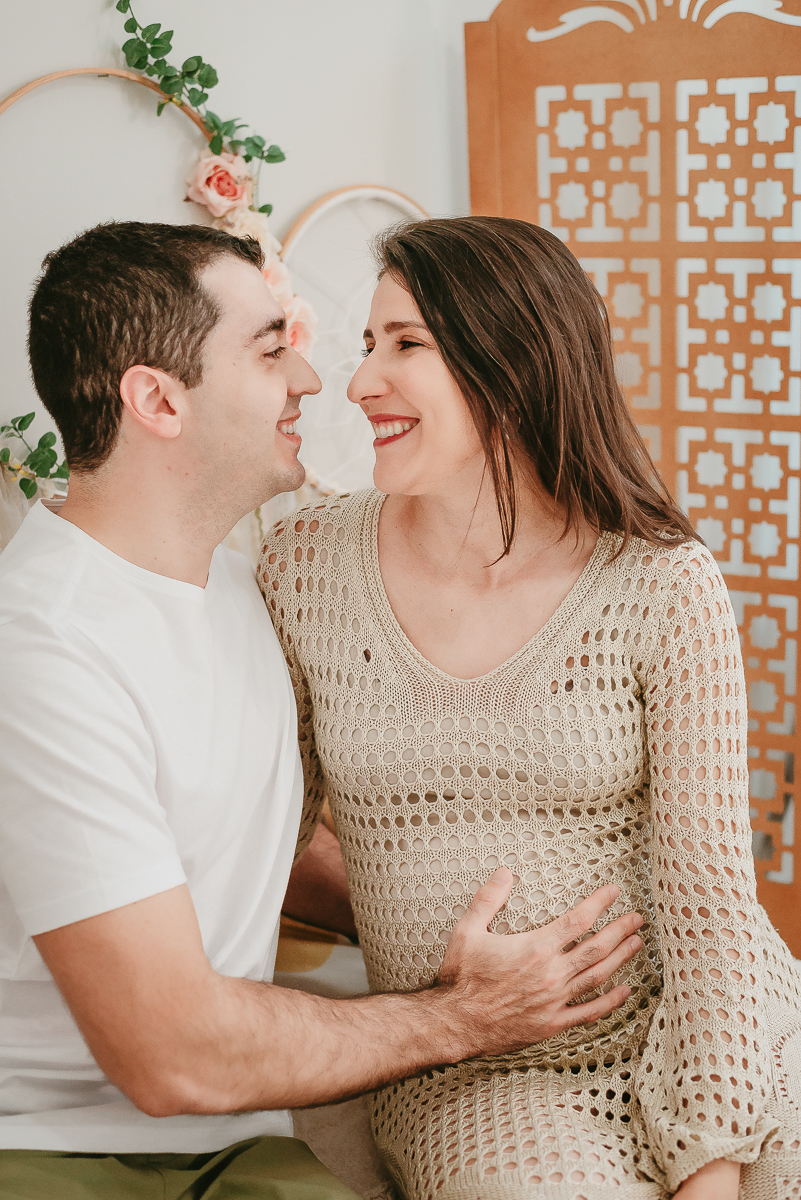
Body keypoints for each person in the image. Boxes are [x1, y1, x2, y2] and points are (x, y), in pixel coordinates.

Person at [0, 221, 644, 1200]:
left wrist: (514, 932)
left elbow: (231, 836)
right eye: (270, 349)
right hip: (56, 1146)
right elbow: (174, 1058)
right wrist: (466, 1015)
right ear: (159, 400)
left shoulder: (244, 584)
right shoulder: (43, 650)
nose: (315, 379)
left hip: (235, 1140)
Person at [258, 216, 801, 1200]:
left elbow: (711, 900)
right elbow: (260, 840)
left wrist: (712, 1163)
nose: (360, 380)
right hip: (478, 1070)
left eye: (405, 344)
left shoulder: (662, 583)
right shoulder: (303, 567)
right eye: (366, 345)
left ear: (510, 359)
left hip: (706, 1022)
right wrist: (420, 961)